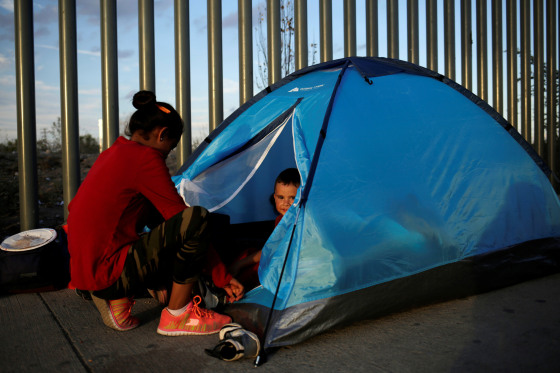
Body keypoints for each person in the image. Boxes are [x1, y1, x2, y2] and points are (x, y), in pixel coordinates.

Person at [67, 90, 243, 335]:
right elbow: (185, 221)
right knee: (197, 218)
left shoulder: (114, 153)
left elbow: (158, 218)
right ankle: (178, 315)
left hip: (86, 272)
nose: (167, 155)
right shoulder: (146, 159)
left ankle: (118, 297)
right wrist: (222, 276)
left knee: (161, 215)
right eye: (171, 148)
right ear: (162, 135)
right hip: (107, 272)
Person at [227, 168, 301, 289]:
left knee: (253, 269)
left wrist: (239, 265)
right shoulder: (280, 219)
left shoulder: (294, 222)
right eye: (281, 197)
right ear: (274, 197)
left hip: (283, 268)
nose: (286, 203)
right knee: (248, 253)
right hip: (275, 258)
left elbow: (268, 252)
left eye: (292, 198)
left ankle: (235, 287)